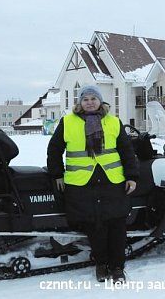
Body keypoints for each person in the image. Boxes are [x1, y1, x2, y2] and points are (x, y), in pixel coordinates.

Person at [47, 85, 139, 283]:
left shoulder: (113, 122)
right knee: (94, 227)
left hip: (112, 183)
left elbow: (127, 151)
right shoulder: (67, 122)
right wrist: (57, 175)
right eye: (85, 99)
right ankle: (101, 264)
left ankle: (117, 268)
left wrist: (131, 176)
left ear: (100, 101)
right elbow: (54, 150)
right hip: (82, 185)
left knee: (116, 226)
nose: (89, 102)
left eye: (93, 98)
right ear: (80, 102)